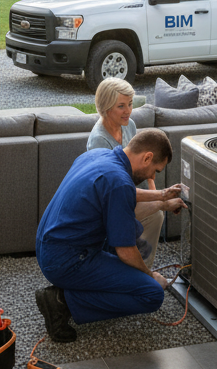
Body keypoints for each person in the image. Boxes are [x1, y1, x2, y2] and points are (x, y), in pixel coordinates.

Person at [35, 128, 186, 342]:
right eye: (155, 170)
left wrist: (161, 196)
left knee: (133, 243)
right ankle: (62, 301)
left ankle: (75, 290)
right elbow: (125, 252)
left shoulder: (97, 156)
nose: (152, 176)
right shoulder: (120, 182)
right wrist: (150, 275)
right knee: (152, 293)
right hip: (66, 261)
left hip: (47, 247)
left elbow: (119, 189)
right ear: (147, 157)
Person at [86, 77, 182, 268]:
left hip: (126, 193)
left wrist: (157, 197)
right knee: (157, 211)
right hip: (110, 201)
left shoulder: (129, 125)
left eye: (130, 104)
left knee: (157, 214)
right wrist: (161, 199)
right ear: (106, 107)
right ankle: (138, 269)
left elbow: (147, 169)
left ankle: (142, 266)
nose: (128, 110)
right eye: (121, 106)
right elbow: (112, 187)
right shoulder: (99, 141)